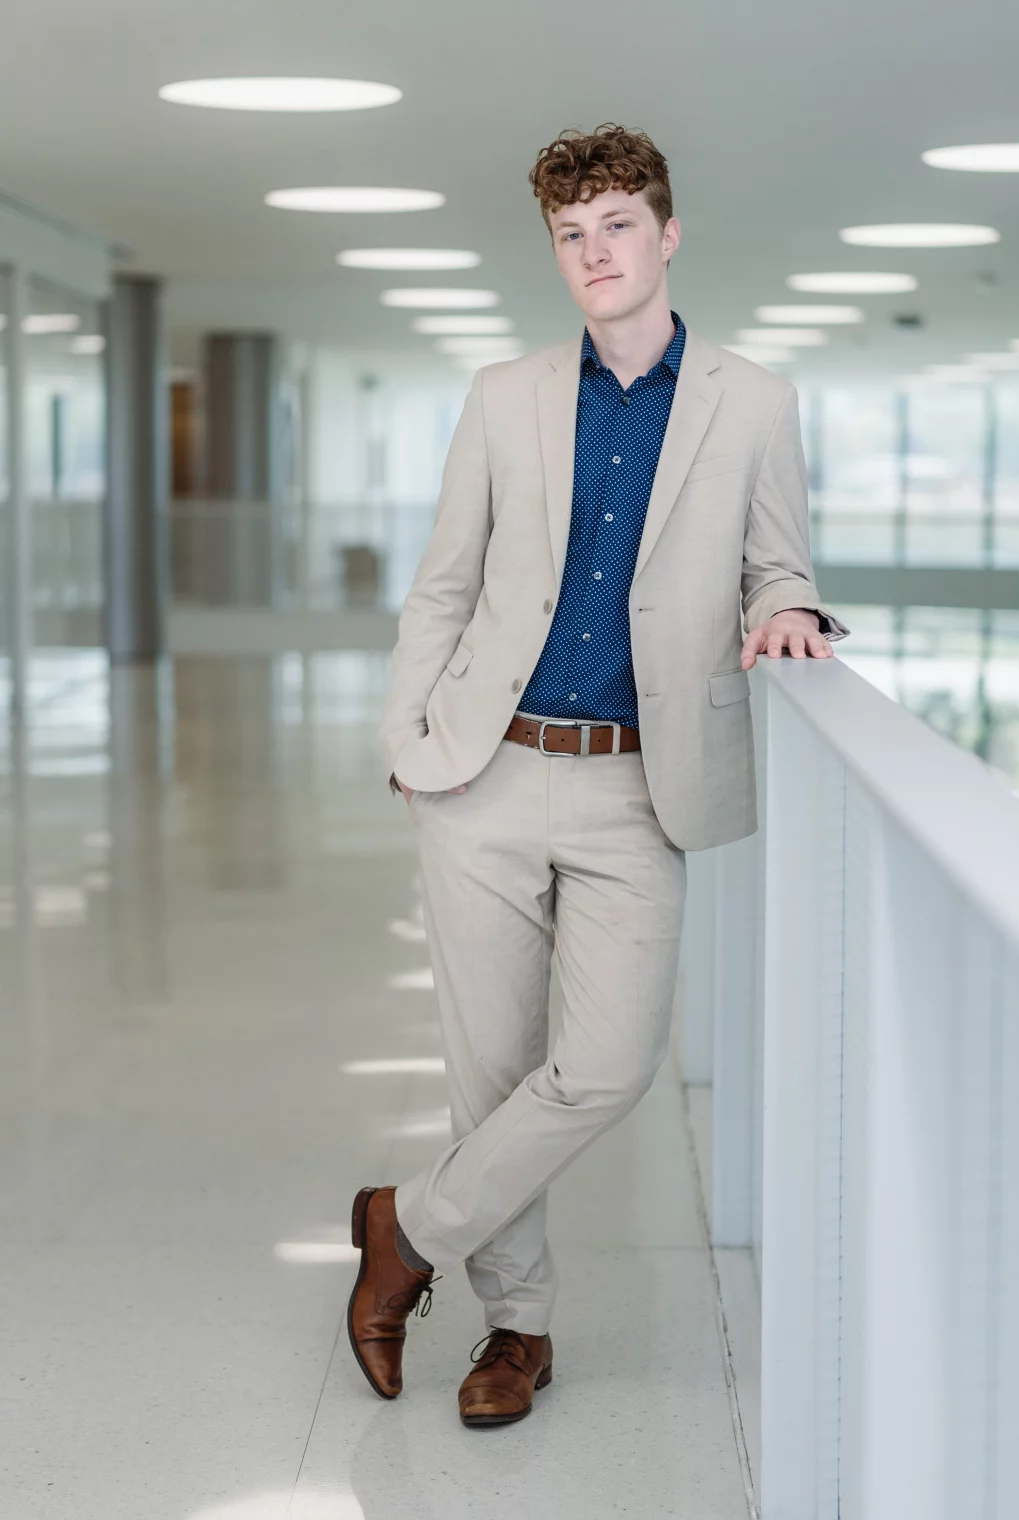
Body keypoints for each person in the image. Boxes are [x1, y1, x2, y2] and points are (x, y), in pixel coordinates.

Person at [347, 123, 849, 1428]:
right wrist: (412, 736)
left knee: (607, 1064)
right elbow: (444, 583)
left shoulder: (755, 402)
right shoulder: (506, 395)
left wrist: (789, 607)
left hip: (642, 788)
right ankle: (518, 1330)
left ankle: (405, 1226)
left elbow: (778, 560)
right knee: (493, 1070)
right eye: (572, 235)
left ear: (666, 234)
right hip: (487, 775)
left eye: (617, 226)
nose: (594, 253)